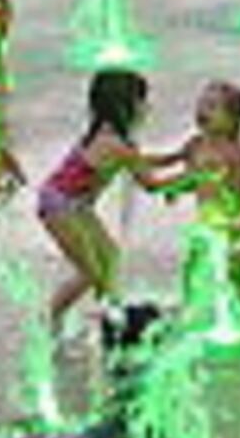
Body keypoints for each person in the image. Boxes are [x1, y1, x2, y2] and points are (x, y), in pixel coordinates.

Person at [36, 69, 166, 336]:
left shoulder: (112, 138)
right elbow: (150, 184)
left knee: (110, 258)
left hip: (75, 205)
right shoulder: (114, 144)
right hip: (59, 207)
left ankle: (113, 314)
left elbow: (139, 163)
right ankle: (49, 322)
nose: (147, 107)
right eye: (142, 100)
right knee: (90, 272)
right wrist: (195, 177)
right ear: (125, 106)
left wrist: (180, 156)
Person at [150, 79, 240, 321]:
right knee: (191, 268)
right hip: (208, 220)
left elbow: (221, 185)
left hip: (236, 222)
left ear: (233, 120)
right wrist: (135, 159)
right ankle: (190, 309)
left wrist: (175, 184)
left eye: (211, 107)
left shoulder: (235, 153)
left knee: (235, 275)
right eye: (200, 105)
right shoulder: (195, 143)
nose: (201, 112)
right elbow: (171, 161)